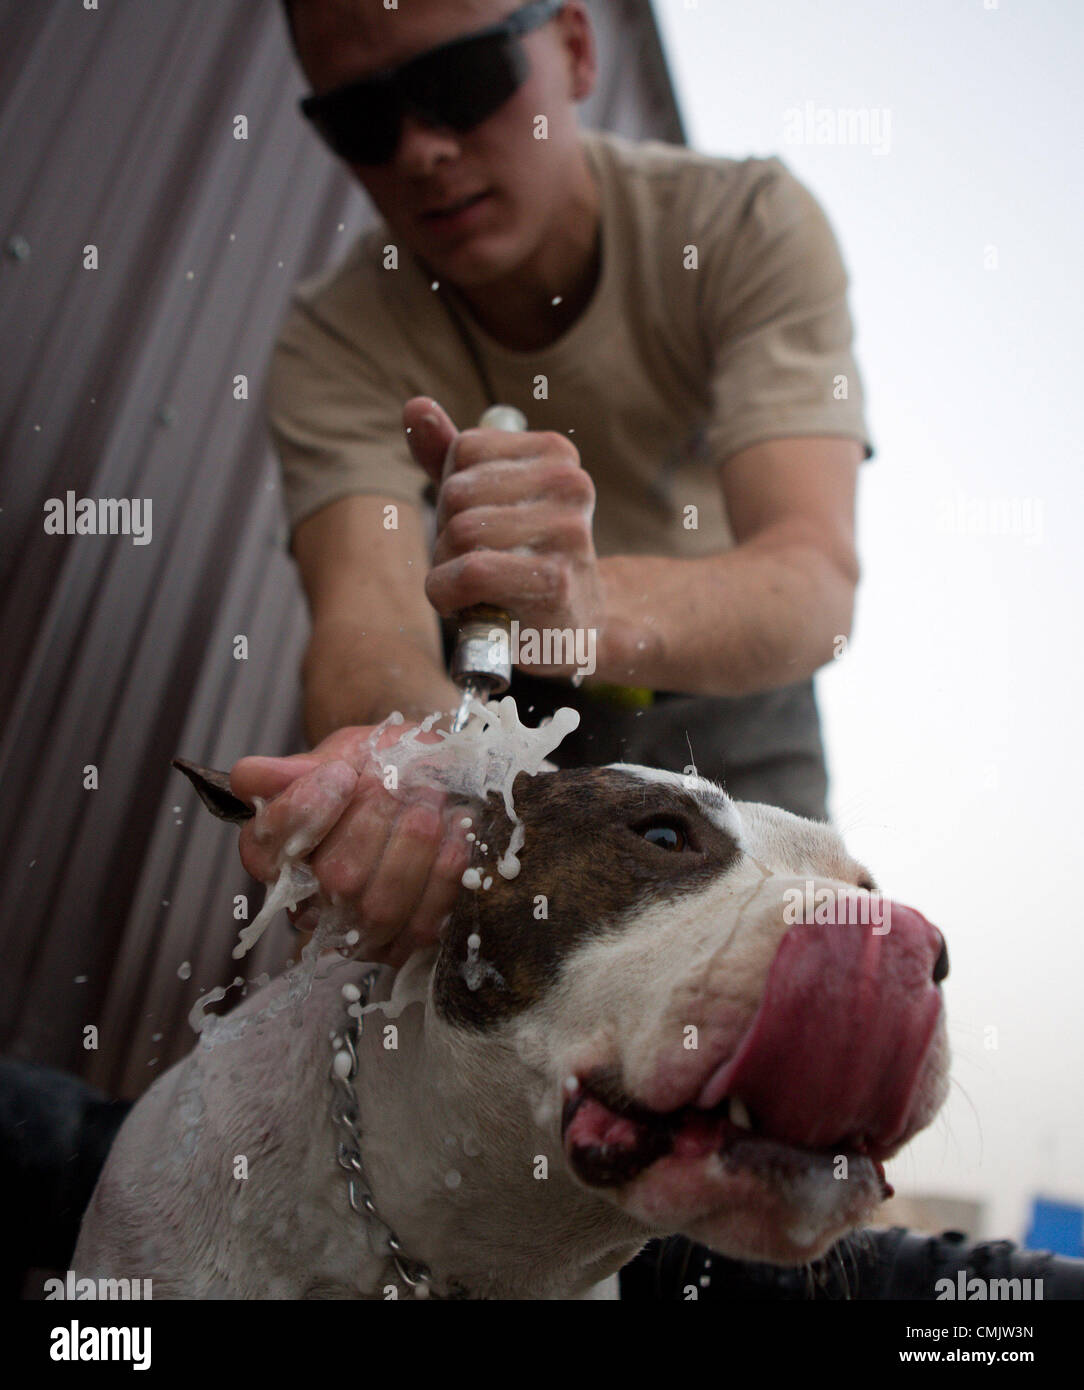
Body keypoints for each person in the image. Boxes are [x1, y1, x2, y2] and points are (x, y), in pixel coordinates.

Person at [221, 0, 871, 1297]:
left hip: (722, 685)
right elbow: (365, 627)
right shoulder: (338, 333)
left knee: (751, 1085)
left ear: (574, 47)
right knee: (393, 1037)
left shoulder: (742, 224)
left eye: (462, 81)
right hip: (494, 701)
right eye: (359, 119)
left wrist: (591, 606)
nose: (419, 151)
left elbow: (810, 578)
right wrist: (401, 781)